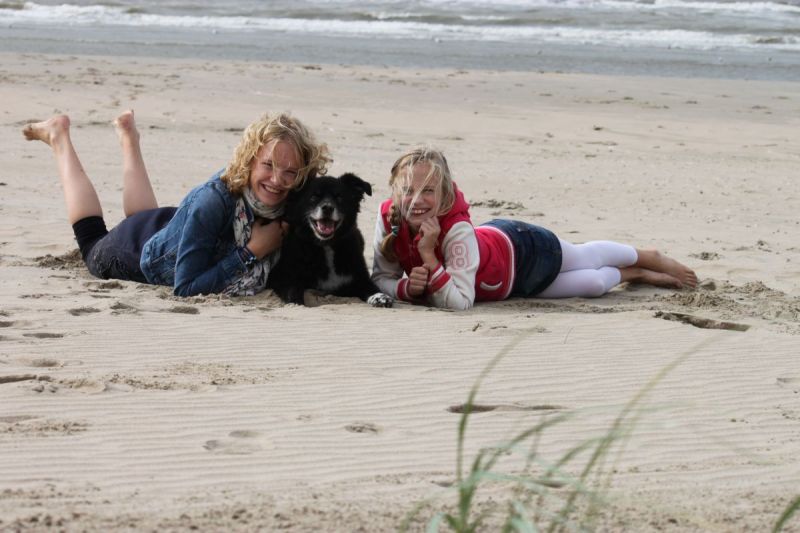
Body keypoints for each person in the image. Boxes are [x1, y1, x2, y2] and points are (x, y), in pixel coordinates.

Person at [23, 110, 331, 297]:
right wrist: (251, 252)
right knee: (91, 242)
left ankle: (128, 137)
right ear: (249, 160)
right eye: (268, 166)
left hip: (168, 227)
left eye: (290, 172)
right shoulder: (215, 200)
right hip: (132, 248)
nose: (277, 180)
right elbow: (185, 289)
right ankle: (59, 136)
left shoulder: (291, 200)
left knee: (146, 216)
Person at [371, 146, 697, 310]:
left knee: (587, 258)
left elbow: (460, 302)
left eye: (427, 190)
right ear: (394, 191)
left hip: (523, 248)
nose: (416, 200)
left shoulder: (457, 230)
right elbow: (380, 278)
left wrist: (429, 257)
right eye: (408, 190)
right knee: (596, 284)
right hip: (511, 287)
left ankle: (647, 256)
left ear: (444, 197)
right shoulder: (389, 221)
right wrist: (406, 290)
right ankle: (635, 274)